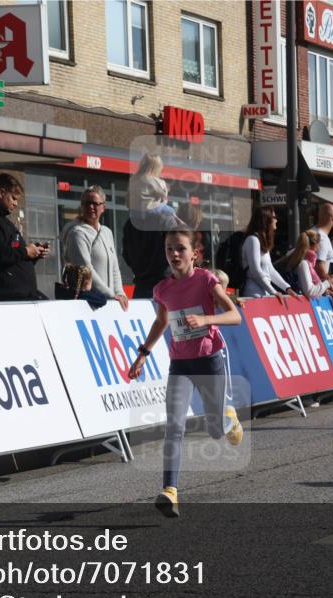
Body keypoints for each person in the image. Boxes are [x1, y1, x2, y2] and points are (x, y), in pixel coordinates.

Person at [127, 227, 244, 518]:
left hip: (209, 360)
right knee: (174, 426)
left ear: (194, 253)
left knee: (215, 430)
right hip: (180, 364)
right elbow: (162, 322)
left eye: (180, 248)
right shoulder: (162, 289)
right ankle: (170, 491)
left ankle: (229, 419)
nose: (174, 254)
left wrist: (205, 318)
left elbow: (235, 315)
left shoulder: (206, 280)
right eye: (169, 249)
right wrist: (143, 353)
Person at [0, 173, 50, 301]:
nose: (16, 204)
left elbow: (14, 252)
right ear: (2, 193)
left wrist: (33, 254)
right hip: (6, 298)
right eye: (13, 198)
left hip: (21, 295)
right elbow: (0, 254)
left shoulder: (3, 221)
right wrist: (26, 251)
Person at [60, 186, 129, 311]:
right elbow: (87, 270)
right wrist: (111, 295)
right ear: (82, 206)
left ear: (103, 207)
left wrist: (119, 292)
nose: (91, 207)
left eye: (95, 203)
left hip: (108, 303)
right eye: (87, 203)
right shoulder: (77, 233)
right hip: (89, 304)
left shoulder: (107, 232)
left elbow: (114, 267)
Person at [123, 154, 180, 299]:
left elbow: (126, 254)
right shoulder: (166, 220)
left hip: (141, 286)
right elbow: (178, 252)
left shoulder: (130, 224)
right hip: (166, 287)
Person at [241, 207, 298, 298]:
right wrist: (273, 291)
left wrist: (287, 288)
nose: (276, 220)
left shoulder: (262, 241)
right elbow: (255, 270)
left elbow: (270, 270)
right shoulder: (253, 240)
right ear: (266, 220)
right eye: (274, 217)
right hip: (254, 294)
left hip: (264, 292)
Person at [276, 230, 333, 299]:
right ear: (315, 245)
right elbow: (310, 291)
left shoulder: (293, 256)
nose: (319, 247)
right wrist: (328, 282)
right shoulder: (303, 263)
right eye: (319, 244)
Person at [311, 203, 333, 283]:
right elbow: (319, 266)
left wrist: (332, 244)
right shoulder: (322, 237)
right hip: (320, 291)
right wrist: (332, 290)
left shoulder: (313, 231)